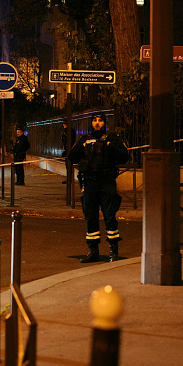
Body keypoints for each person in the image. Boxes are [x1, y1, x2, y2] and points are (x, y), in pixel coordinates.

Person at [68, 112, 129, 263]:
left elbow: (124, 156)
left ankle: (113, 251)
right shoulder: (85, 140)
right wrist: (82, 146)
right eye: (94, 120)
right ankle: (93, 250)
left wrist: (110, 147)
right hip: (89, 183)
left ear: (105, 123)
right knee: (90, 217)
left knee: (110, 217)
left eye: (100, 120)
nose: (97, 123)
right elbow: (71, 157)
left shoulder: (112, 138)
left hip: (107, 182)